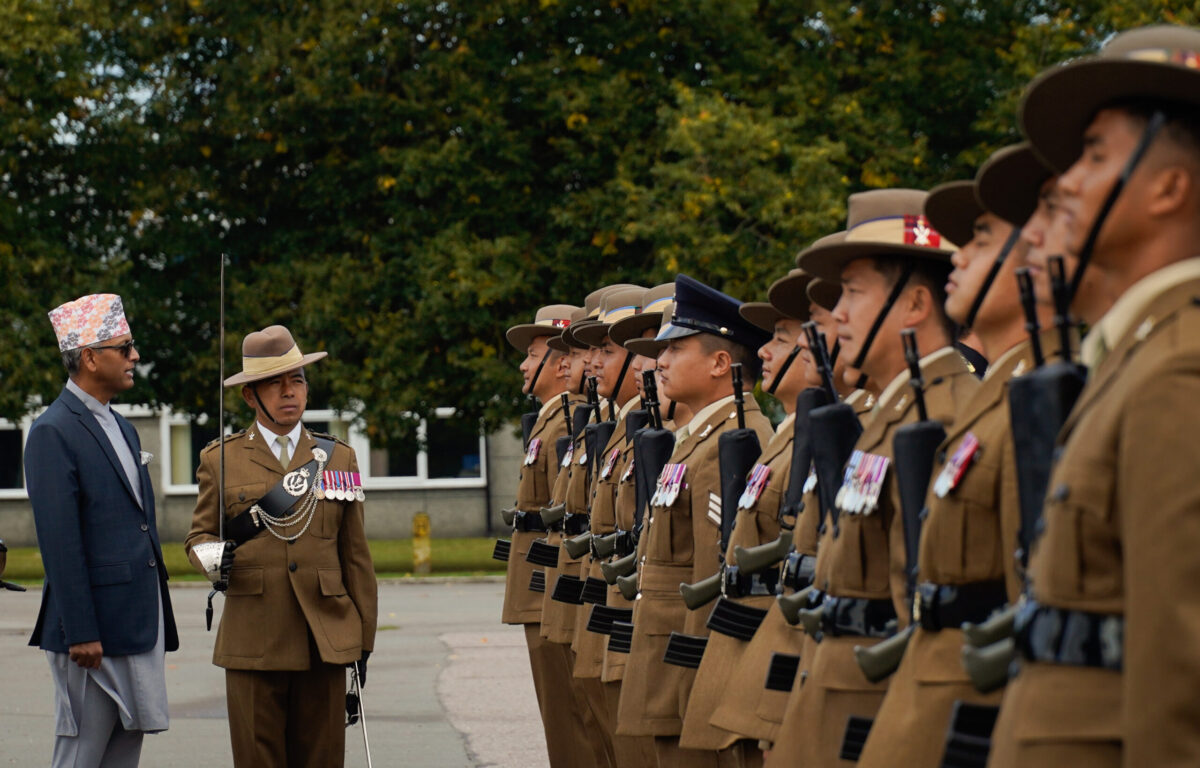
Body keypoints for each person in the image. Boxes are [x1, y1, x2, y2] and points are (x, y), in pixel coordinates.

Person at [988, 24, 1200, 767]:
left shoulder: (1179, 369)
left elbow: (1184, 671)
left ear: (1169, 188)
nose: (1070, 182)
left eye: (1096, 156)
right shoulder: (1135, 359)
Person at [854, 150, 1060, 767]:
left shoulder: (1035, 396)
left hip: (968, 709)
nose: (959, 258)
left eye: (981, 240)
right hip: (923, 693)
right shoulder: (992, 397)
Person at [768, 189, 980, 766]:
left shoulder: (944, 417)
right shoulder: (891, 412)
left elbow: (922, 611)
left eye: (853, 292)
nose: (837, 314)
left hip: (878, 715)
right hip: (837, 697)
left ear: (915, 304)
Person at [184, 324, 377, 768]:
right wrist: (213, 559)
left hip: (324, 637)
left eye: (297, 380)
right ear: (250, 396)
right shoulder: (221, 459)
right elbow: (199, 537)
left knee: (323, 760)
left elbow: (356, 557)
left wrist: (362, 641)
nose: (289, 392)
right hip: (253, 638)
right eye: (275, 383)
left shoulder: (338, 456)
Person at [617, 273, 774, 768]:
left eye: (675, 348)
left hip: (689, 660)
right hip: (667, 653)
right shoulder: (698, 438)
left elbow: (714, 569)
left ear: (720, 363)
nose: (660, 361)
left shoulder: (734, 439)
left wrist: (701, 677)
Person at [25, 293, 178, 768]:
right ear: (90, 357)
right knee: (80, 755)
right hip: (90, 636)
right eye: (124, 347)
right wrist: (81, 631)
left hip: (134, 622)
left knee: (125, 750)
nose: (135, 356)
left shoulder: (123, 427)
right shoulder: (53, 431)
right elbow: (60, 543)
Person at [499, 303, 590, 767]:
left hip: (550, 587)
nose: (523, 365)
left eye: (533, 355)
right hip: (540, 585)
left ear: (561, 363)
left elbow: (568, 516)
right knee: (561, 718)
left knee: (570, 721)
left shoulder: (568, 421)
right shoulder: (551, 419)